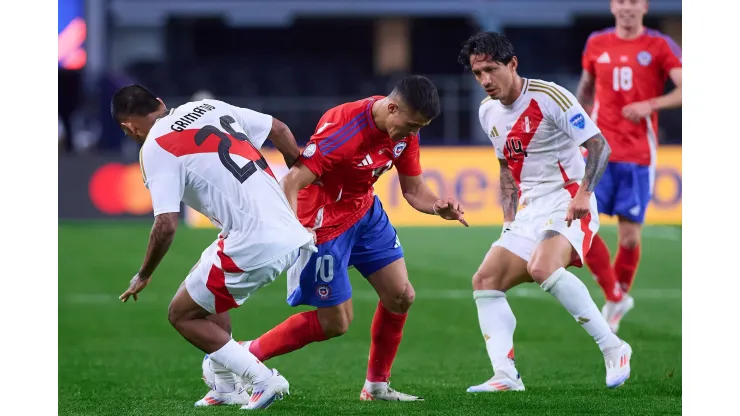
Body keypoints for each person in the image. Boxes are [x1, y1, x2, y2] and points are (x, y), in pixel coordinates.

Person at [233, 75, 468, 401]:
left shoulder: (404, 132)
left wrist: (437, 206)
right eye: (412, 125)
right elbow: (290, 183)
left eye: (420, 128)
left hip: (365, 214)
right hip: (323, 223)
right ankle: (242, 356)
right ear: (392, 107)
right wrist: (293, 232)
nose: (414, 134)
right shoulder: (342, 128)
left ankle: (376, 386)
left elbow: (414, 190)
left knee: (401, 296)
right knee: (336, 322)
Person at [111, 84, 316, 410]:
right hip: (290, 230)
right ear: (161, 103)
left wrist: (144, 273)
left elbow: (165, 225)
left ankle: (263, 379)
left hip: (254, 241)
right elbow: (278, 128)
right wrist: (299, 167)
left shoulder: (154, 147)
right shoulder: (210, 106)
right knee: (203, 288)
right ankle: (225, 387)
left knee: (182, 315)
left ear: (129, 127)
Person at [458, 32, 632, 392]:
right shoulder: (487, 112)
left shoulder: (549, 96)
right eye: (478, 74)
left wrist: (585, 193)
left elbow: (599, 145)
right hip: (529, 210)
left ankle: (614, 348)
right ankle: (505, 375)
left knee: (542, 267)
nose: (485, 80)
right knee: (485, 281)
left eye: (491, 69)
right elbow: (506, 168)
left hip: (568, 200)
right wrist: (508, 222)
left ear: (512, 64)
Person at [576, 0, 682, 333]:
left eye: (633, 2)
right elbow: (585, 90)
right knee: (581, 224)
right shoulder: (597, 42)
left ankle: (617, 297)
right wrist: (576, 128)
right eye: (621, 1)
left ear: (644, 7)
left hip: (638, 154)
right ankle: (615, 295)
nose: (627, 8)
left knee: (631, 237)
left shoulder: (659, 45)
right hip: (599, 151)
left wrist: (650, 103)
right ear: (612, 6)